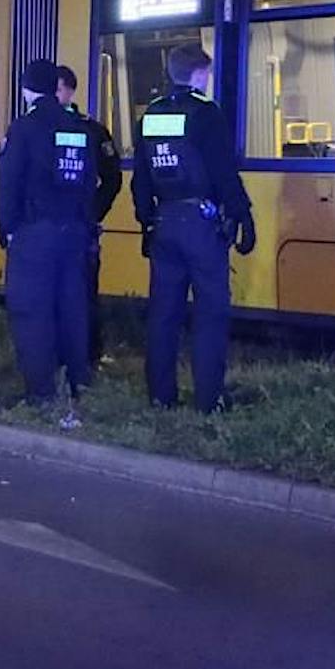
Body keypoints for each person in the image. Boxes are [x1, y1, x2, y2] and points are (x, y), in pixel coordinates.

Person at [131, 43, 255, 413]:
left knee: (163, 314)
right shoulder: (206, 114)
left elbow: (140, 179)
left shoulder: (150, 117)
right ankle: (209, 399)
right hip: (201, 227)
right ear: (199, 74)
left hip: (164, 223)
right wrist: (244, 217)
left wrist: (146, 222)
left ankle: (160, 396)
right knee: (210, 313)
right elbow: (223, 173)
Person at [0, 56, 100, 418]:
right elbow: (90, 183)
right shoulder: (78, 127)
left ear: (26, 89)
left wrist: (6, 228)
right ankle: (78, 381)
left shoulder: (24, 128)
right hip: (72, 232)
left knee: (32, 311)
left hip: (34, 234)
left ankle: (41, 391)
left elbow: (8, 183)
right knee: (72, 308)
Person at [55, 64, 122, 366]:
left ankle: (88, 356)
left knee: (84, 293)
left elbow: (112, 178)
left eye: (56, 89)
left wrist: (94, 212)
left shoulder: (92, 131)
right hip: (48, 227)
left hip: (81, 227)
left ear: (70, 91)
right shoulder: (37, 128)